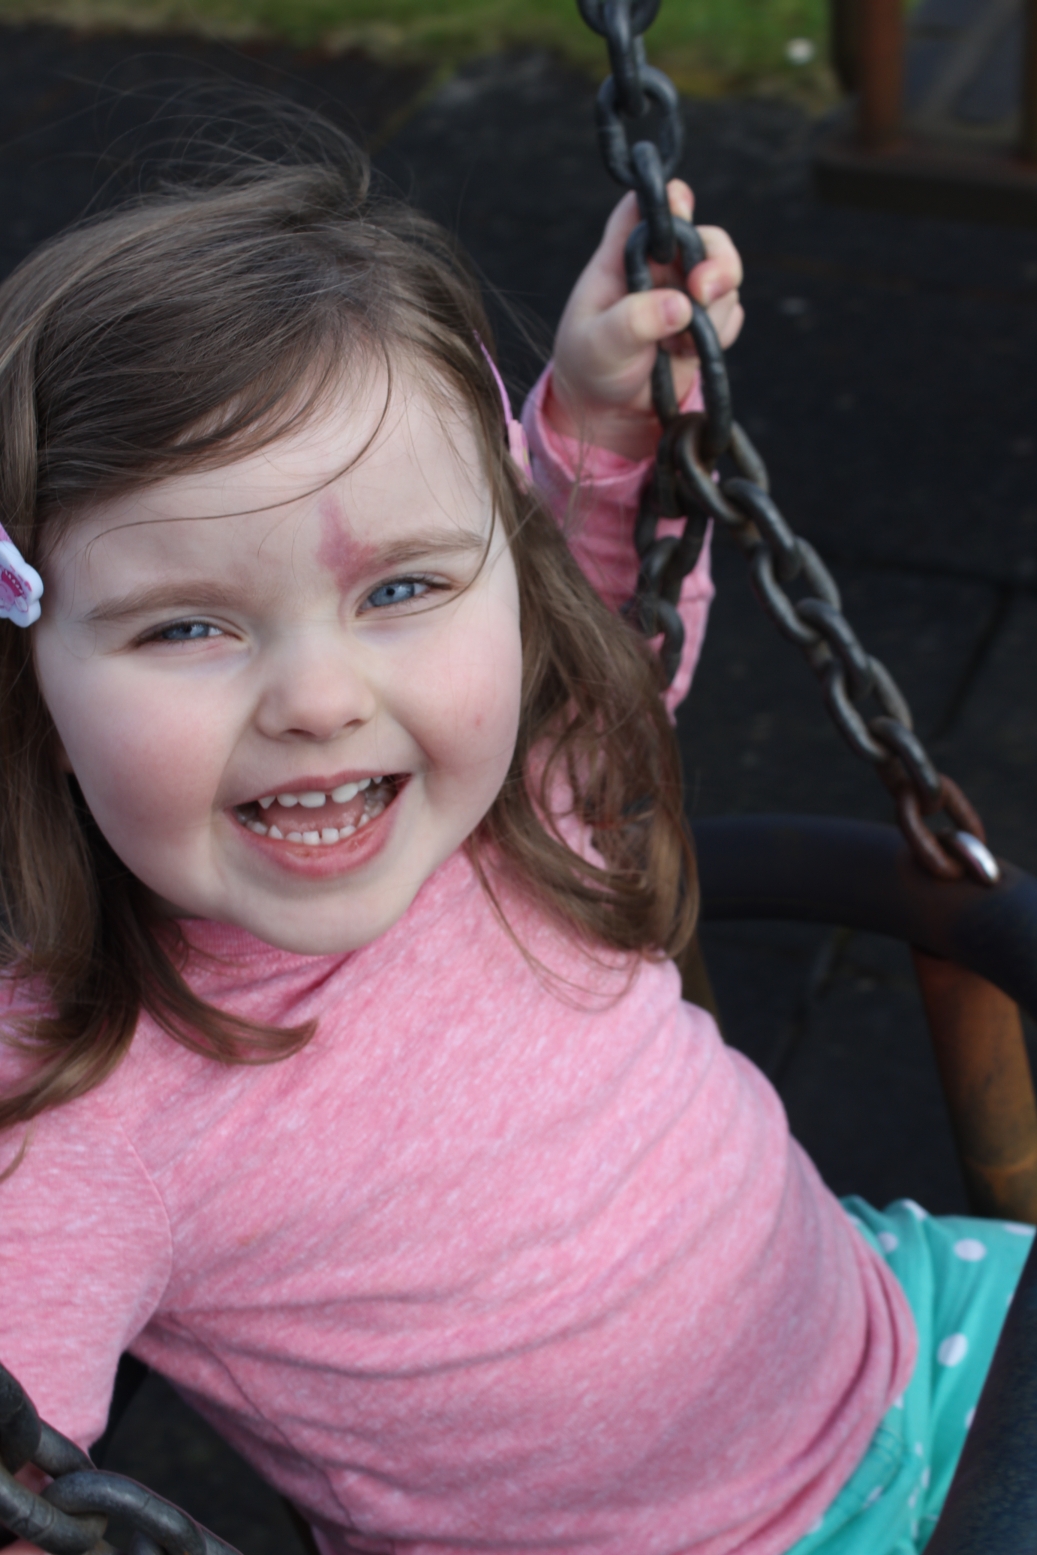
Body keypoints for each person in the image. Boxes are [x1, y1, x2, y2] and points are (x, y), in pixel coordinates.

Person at [0, 120, 1031, 1555]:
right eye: (185, 627)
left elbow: (597, 587)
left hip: (909, 1334)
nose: (317, 700)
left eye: (400, 591)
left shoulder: (524, 785)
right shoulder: (72, 1117)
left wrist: (604, 423)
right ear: (35, 690)